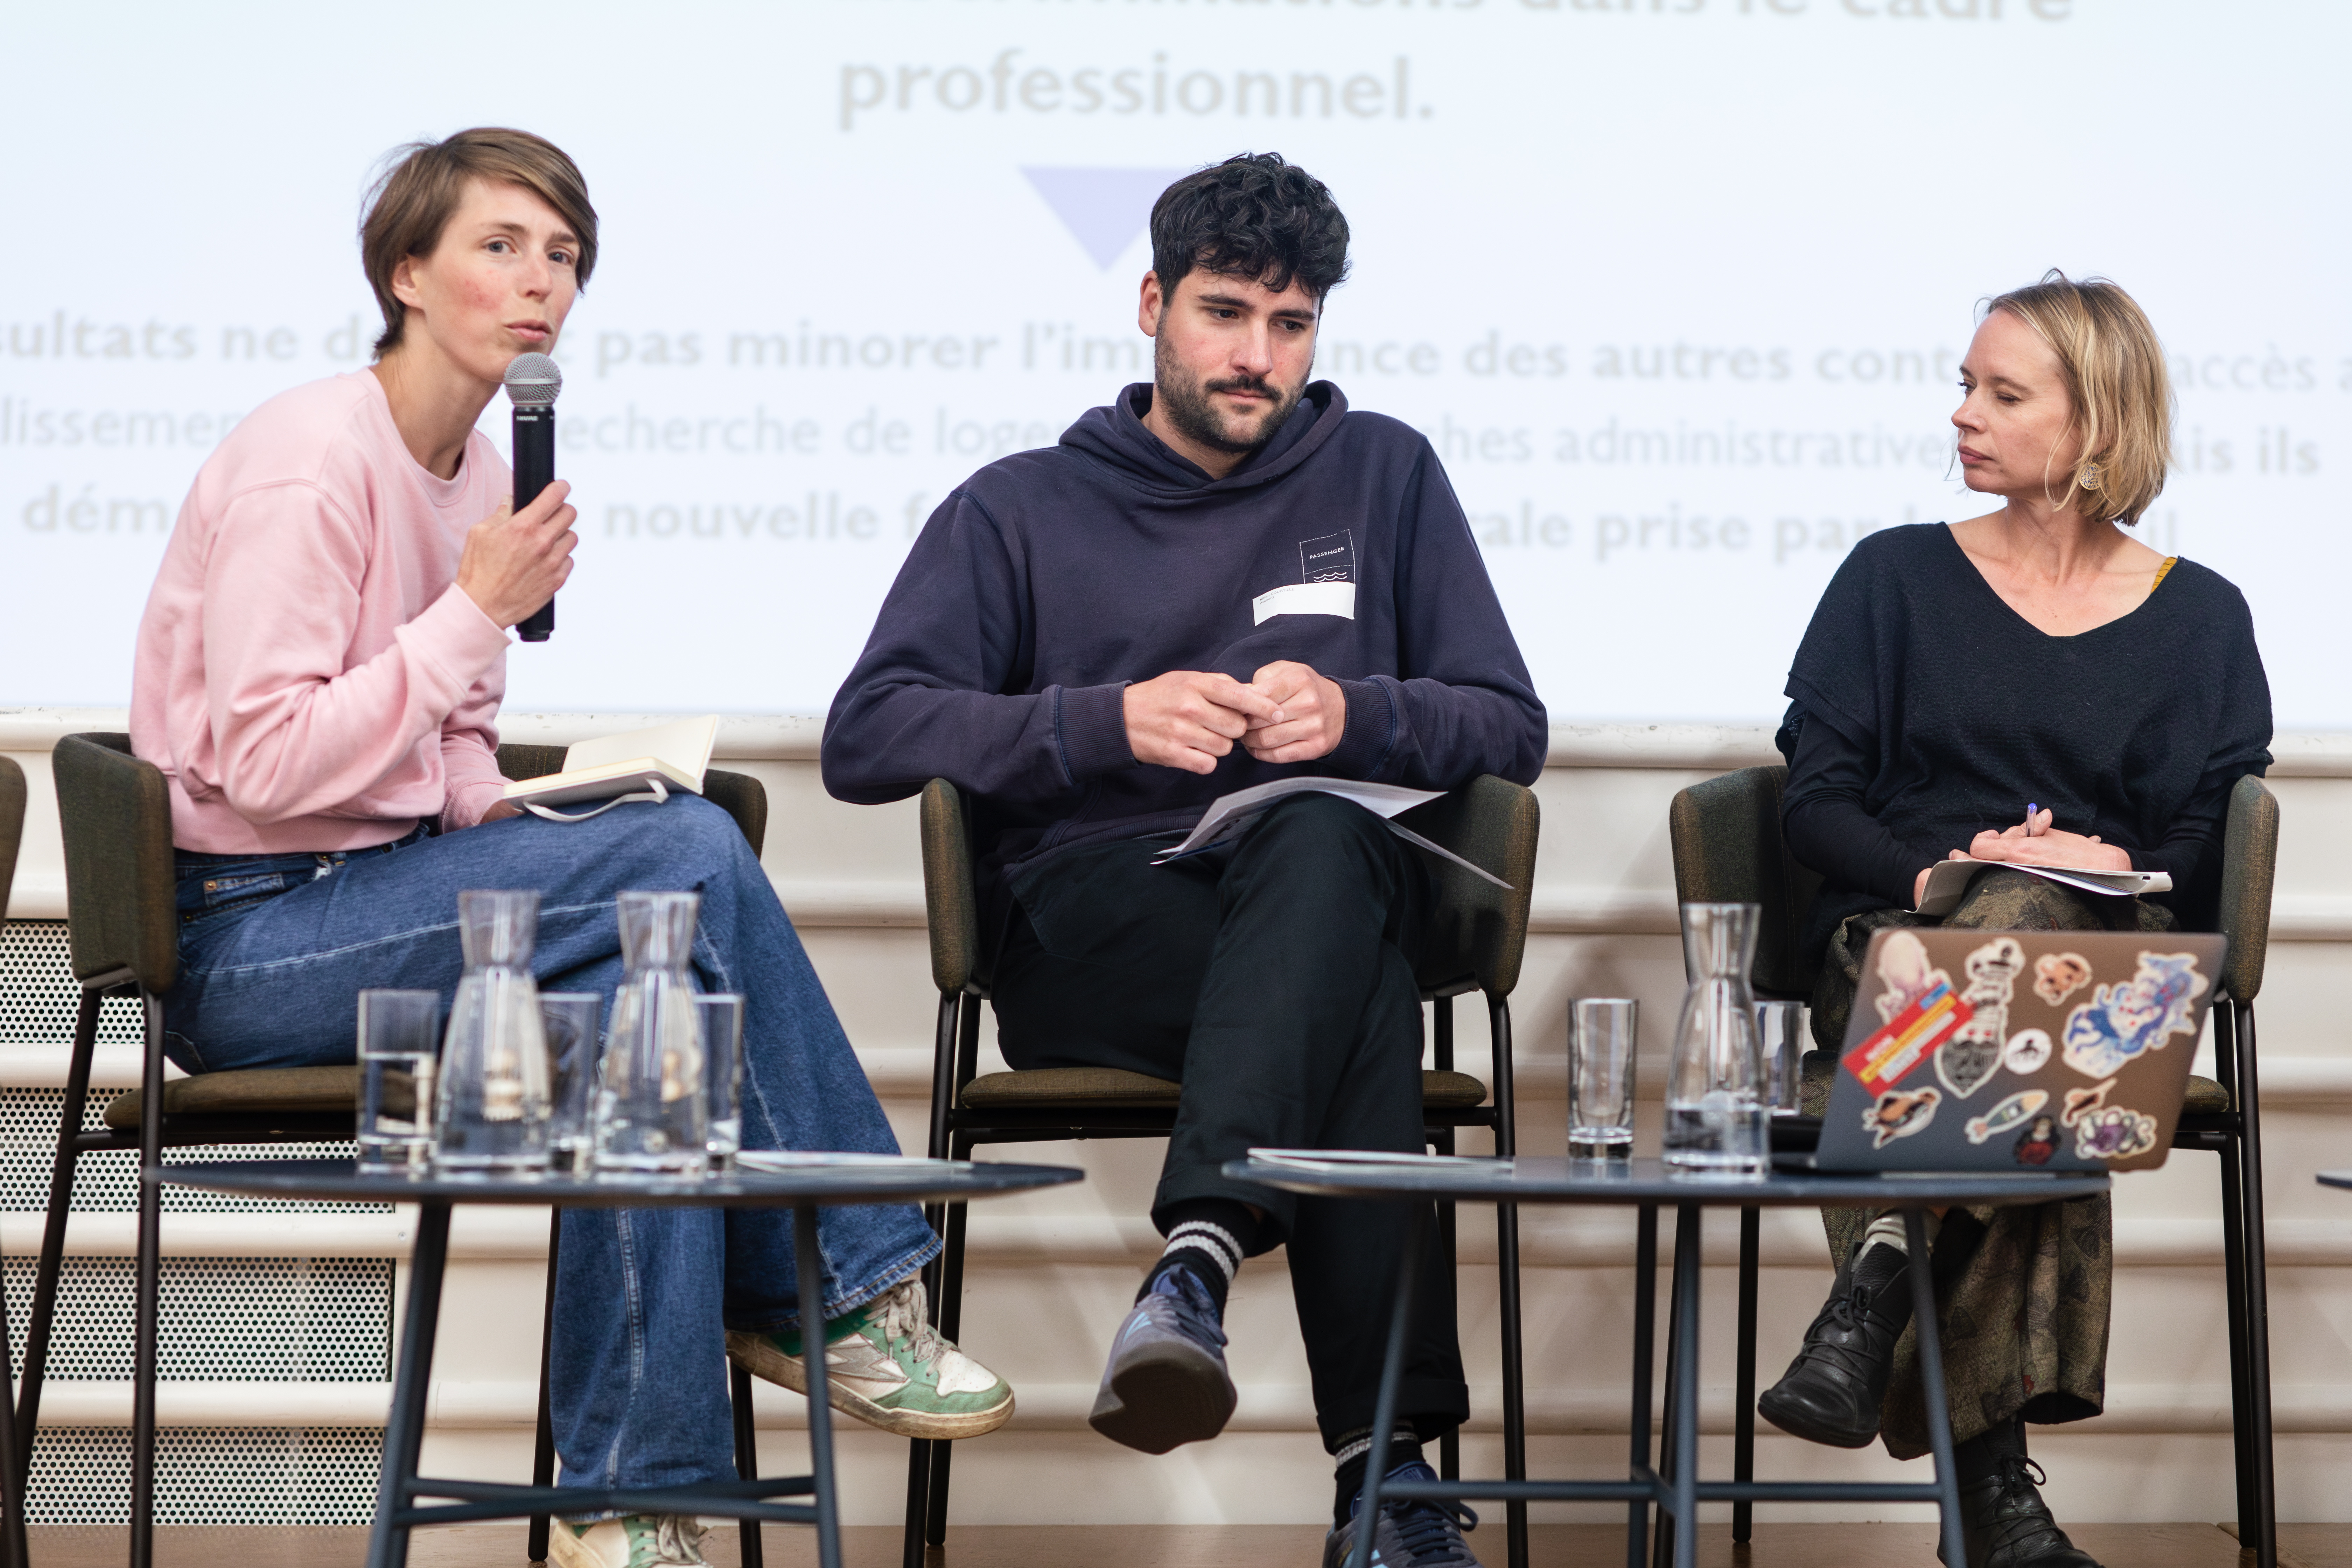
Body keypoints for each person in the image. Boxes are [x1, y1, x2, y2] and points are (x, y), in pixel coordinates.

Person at [128, 129, 1013, 1568]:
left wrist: (530, 813)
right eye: (502, 246)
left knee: (637, 1016)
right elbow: (268, 763)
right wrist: (475, 612)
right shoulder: (309, 464)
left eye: (566, 257)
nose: (542, 281)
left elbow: (453, 743)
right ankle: (845, 1287)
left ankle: (630, 1506)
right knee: (698, 851)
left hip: (388, 891)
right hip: (249, 937)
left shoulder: (484, 472)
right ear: (406, 273)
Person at [822, 151, 1545, 1568]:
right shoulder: (1018, 506)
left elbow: (1508, 721)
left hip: (1311, 892)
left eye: (1292, 325)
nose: (1258, 356)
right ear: (1152, 302)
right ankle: (1390, 1484)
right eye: (1226, 314)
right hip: (1097, 929)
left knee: (1327, 844)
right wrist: (1107, 721)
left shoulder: (1383, 470)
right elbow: (868, 734)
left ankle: (1197, 1264)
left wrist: (1362, 710)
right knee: (1354, 994)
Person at [1757, 272, 2271, 1568]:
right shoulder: (1892, 579)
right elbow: (1812, 806)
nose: (1961, 415)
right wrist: (1939, 877)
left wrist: (2116, 865)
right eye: (1967, 385)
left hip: (2110, 985)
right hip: (1899, 959)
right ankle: (1996, 1507)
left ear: (2095, 422)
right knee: (2016, 968)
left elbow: (2205, 850)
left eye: (2001, 392)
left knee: (2047, 926)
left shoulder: (2204, 618)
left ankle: (1877, 1276)